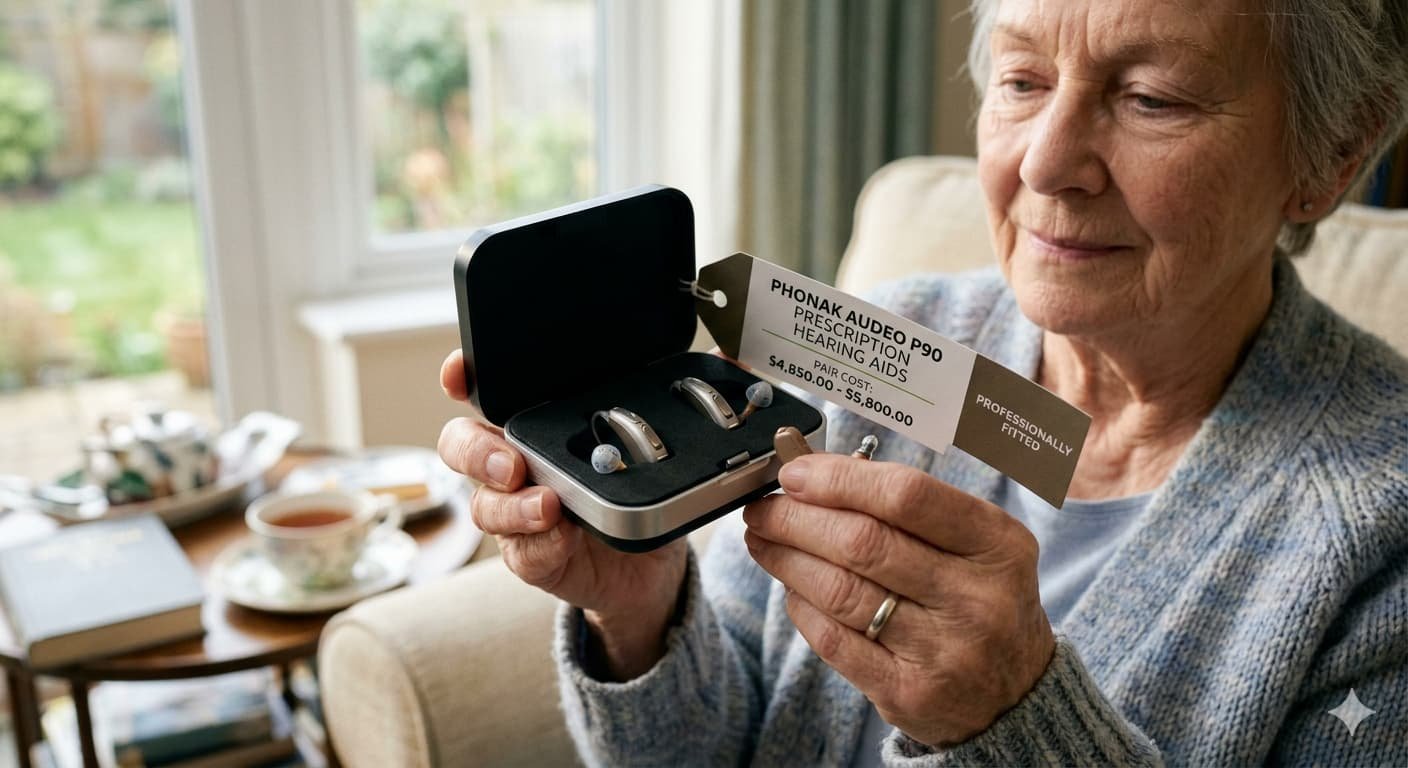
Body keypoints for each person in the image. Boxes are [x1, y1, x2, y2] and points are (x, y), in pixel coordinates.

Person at [437, 0, 1408, 764]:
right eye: (1022, 80)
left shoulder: (1381, 530)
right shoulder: (885, 339)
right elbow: (710, 747)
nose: (1045, 163)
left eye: (1152, 98)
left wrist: (1012, 721)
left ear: (1330, 156)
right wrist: (640, 611)